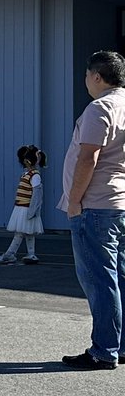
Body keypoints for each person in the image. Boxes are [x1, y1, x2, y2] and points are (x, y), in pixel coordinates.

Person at [60, 51, 125, 370]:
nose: (85, 81)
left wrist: (74, 200)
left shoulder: (101, 107)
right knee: (119, 277)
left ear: (97, 77)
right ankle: (120, 345)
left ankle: (103, 350)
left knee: (99, 279)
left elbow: (89, 157)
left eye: (87, 76)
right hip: (119, 203)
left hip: (96, 204)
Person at [0, 145, 47, 265]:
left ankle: (9, 254)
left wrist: (32, 210)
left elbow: (37, 195)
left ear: (26, 161)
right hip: (21, 208)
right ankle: (31, 254)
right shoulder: (26, 175)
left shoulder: (34, 176)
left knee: (19, 233)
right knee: (28, 232)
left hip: (27, 209)